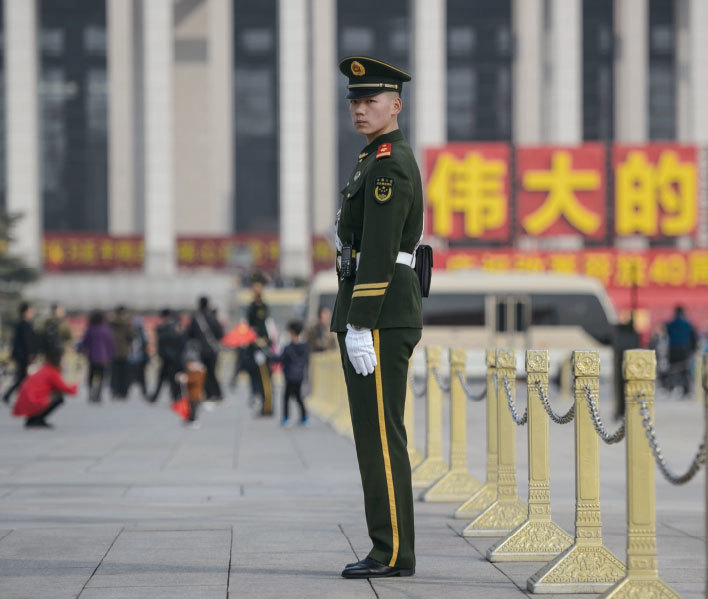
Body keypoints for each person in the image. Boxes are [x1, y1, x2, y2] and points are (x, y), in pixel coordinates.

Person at [331, 57, 423, 579]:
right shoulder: (372, 158)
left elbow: (384, 249)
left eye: (372, 101)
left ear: (396, 105)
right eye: (355, 101)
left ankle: (391, 552)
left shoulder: (388, 163)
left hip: (381, 313)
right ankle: (388, 546)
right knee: (373, 434)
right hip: (373, 310)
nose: (361, 109)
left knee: (382, 436)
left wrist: (362, 322)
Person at [12, 349, 77, 428]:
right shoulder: (52, 372)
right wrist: (75, 384)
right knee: (59, 398)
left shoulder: (45, 369)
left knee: (55, 394)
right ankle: (37, 419)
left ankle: (33, 418)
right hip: (32, 401)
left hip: (26, 400)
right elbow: (68, 390)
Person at [245, 274, 274, 415]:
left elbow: (266, 328)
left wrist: (264, 344)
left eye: (258, 286)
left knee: (265, 378)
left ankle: (268, 407)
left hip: (263, 347)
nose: (256, 289)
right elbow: (249, 328)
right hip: (254, 347)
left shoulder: (264, 306)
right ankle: (263, 405)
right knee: (257, 378)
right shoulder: (251, 307)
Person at [186, 296, 224, 401]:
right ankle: (218, 394)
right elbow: (220, 333)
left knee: (204, 373)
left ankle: (209, 394)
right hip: (213, 349)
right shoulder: (212, 316)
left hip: (201, 350)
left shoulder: (196, 318)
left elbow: (189, 334)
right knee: (212, 372)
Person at [3, 302, 39, 404]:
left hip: (22, 355)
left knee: (23, 377)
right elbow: (27, 341)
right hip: (23, 355)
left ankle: (15, 395)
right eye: (30, 311)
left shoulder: (24, 324)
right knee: (22, 377)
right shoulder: (24, 324)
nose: (32, 313)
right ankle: (13, 395)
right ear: (25, 312)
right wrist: (30, 354)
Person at [278, 320, 309, 427]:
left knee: (286, 398)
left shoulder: (287, 348)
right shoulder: (305, 347)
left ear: (291, 332)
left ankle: (286, 418)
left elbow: (280, 360)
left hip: (289, 377)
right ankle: (304, 417)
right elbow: (306, 361)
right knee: (298, 397)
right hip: (300, 376)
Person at [80, 310, 115, 403]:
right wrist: (110, 355)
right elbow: (110, 344)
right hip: (103, 358)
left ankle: (91, 392)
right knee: (101, 376)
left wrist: (83, 352)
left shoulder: (91, 329)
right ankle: (98, 394)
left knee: (91, 376)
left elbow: (85, 343)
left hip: (92, 357)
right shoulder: (106, 330)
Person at [150, 308, 184, 403]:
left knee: (167, 378)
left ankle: (174, 396)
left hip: (170, 356)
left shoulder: (167, 327)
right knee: (170, 378)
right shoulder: (175, 326)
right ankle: (175, 396)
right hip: (173, 356)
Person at [665, 305, 698, 397]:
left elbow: (666, 331)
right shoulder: (688, 324)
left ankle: (670, 388)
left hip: (672, 350)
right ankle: (686, 390)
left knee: (671, 370)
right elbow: (693, 338)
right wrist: (693, 350)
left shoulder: (670, 324)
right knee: (685, 371)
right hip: (684, 350)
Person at [179, 340, 206, 428]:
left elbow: (194, 380)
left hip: (195, 395)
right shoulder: (192, 371)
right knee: (189, 407)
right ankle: (190, 418)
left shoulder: (199, 371)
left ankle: (193, 419)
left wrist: (186, 379)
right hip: (191, 394)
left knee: (193, 407)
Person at [109, 306, 134, 399]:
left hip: (113, 352)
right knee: (124, 374)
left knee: (114, 373)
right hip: (124, 352)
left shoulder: (110, 323)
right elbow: (131, 336)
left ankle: (114, 391)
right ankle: (123, 392)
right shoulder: (126, 323)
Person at [127, 316, 149, 400]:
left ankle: (143, 391)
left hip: (138, 358)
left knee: (140, 377)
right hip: (134, 358)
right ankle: (128, 391)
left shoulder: (141, 334)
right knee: (134, 377)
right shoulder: (140, 334)